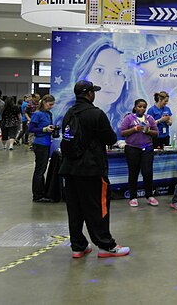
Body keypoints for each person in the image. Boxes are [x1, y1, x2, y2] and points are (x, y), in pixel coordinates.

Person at [59, 80, 130, 258]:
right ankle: (106, 245)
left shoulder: (69, 113)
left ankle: (78, 246)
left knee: (75, 209)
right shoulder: (96, 114)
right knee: (98, 207)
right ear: (89, 94)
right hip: (91, 169)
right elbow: (110, 138)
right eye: (93, 91)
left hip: (69, 168)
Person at [53, 37, 132, 137]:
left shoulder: (128, 118)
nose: (108, 81)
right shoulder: (63, 111)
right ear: (85, 72)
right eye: (99, 70)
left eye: (118, 72)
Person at [120, 99, 159, 207]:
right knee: (133, 172)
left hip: (147, 148)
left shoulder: (149, 119)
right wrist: (135, 129)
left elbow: (156, 133)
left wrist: (148, 131)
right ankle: (133, 197)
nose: (142, 109)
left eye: (144, 107)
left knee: (147, 172)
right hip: (132, 149)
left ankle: (149, 195)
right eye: (139, 106)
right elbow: (122, 132)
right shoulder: (129, 118)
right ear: (135, 107)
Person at [28, 95, 57, 202]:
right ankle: (37, 195)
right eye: (50, 104)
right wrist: (44, 129)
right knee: (39, 170)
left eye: (53, 104)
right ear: (44, 102)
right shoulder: (37, 114)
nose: (51, 106)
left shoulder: (48, 114)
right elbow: (31, 129)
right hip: (40, 144)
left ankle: (42, 191)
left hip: (46, 143)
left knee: (42, 169)